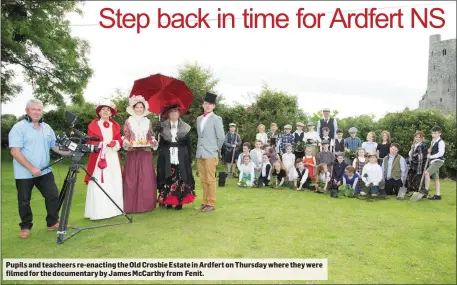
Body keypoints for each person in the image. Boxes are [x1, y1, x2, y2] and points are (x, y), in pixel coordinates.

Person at [9, 99, 71, 239]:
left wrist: (70, 152)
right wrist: (31, 168)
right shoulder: (18, 128)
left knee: (52, 196)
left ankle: (52, 223)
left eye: (39, 109)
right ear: (27, 111)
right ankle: (25, 227)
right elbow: (15, 152)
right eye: (33, 109)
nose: (37, 112)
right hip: (24, 173)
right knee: (24, 200)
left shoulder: (47, 128)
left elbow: (54, 146)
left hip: (45, 171)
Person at [84, 103, 124, 220]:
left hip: (112, 157)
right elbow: (89, 142)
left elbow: (118, 140)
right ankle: (99, 212)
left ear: (111, 113)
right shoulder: (93, 125)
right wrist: (103, 144)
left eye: (108, 110)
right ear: (99, 113)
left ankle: (115, 210)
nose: (106, 112)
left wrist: (115, 143)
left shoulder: (115, 125)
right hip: (98, 158)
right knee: (100, 182)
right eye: (103, 110)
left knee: (114, 181)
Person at [155, 103, 196, 210]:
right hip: (167, 155)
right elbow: (159, 143)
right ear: (168, 114)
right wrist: (157, 132)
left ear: (179, 114)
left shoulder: (185, 127)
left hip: (181, 155)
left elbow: (188, 144)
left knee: (180, 177)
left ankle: (179, 202)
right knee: (167, 177)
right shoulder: (162, 126)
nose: (173, 114)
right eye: (171, 112)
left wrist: (190, 158)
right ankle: (168, 201)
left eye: (175, 112)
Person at [122, 95, 159, 213]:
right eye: (137, 107)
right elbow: (126, 136)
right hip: (133, 153)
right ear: (133, 108)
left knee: (146, 177)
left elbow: (150, 136)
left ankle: (146, 204)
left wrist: (153, 141)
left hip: (145, 153)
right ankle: (131, 205)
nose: (139, 109)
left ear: (144, 108)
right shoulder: (128, 122)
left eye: (141, 107)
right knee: (132, 178)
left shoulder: (147, 122)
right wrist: (126, 141)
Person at [195, 92, 225, 212]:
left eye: (210, 104)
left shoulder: (217, 119)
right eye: (206, 103)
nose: (208, 106)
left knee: (210, 179)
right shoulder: (199, 119)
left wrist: (215, 149)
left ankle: (211, 203)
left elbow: (221, 137)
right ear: (203, 105)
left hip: (211, 153)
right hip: (200, 153)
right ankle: (205, 202)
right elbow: (200, 136)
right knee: (203, 179)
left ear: (214, 106)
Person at [424, 126, 446, 200]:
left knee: (426, 173)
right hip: (433, 161)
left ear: (439, 133)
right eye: (432, 133)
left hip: (438, 161)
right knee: (436, 178)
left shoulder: (441, 142)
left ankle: (426, 190)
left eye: (435, 133)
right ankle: (437, 195)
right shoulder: (433, 141)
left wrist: (430, 156)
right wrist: (429, 151)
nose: (433, 135)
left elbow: (441, 153)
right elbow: (431, 150)